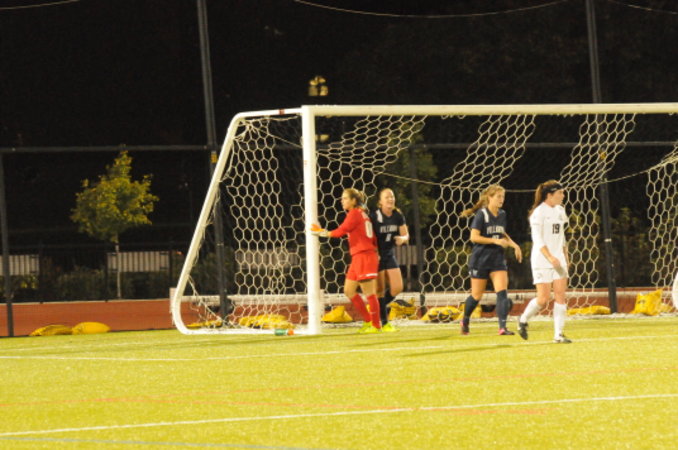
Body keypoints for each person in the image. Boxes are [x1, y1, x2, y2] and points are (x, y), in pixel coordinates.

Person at [311, 188, 381, 333]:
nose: (342, 201)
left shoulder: (355, 213)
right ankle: (368, 321)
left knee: (369, 293)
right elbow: (373, 237)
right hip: (358, 256)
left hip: (364, 255)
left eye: (345, 198)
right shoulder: (361, 213)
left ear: (354, 201)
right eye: (342, 198)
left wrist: (322, 232)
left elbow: (341, 231)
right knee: (349, 291)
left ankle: (375, 325)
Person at [459, 184, 522, 335]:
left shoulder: (502, 214)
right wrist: (494, 241)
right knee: (476, 295)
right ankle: (465, 320)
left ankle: (502, 327)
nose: (502, 199)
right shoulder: (482, 214)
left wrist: (514, 245)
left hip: (497, 260)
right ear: (490, 197)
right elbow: (474, 237)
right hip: (480, 259)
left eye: (503, 197)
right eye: (499, 196)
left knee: (502, 293)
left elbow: (502, 233)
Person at [517, 180, 571, 343]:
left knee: (560, 296)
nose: (563, 195)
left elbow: (561, 236)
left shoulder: (560, 210)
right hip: (542, 260)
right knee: (543, 298)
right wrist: (550, 257)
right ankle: (523, 320)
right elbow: (538, 239)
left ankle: (558, 335)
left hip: (558, 259)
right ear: (550, 195)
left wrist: (565, 255)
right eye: (560, 193)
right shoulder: (538, 213)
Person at [370, 188, 409, 332]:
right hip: (376, 255)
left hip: (388, 254)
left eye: (392, 196)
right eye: (387, 197)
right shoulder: (374, 216)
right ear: (380, 201)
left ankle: (375, 308)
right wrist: (374, 251)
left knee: (397, 287)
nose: (390, 199)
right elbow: (368, 236)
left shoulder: (398, 215)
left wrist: (402, 239)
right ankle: (385, 323)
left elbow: (406, 235)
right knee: (379, 290)